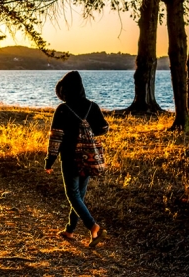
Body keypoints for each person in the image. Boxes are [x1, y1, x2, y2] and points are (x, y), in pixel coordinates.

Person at [45, 71, 109, 247]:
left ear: (65, 90)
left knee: (72, 195)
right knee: (79, 195)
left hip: (70, 158)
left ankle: (93, 226)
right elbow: (103, 128)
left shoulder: (63, 109)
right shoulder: (92, 106)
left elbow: (56, 137)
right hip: (88, 157)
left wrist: (49, 161)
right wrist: (88, 132)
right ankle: (70, 230)